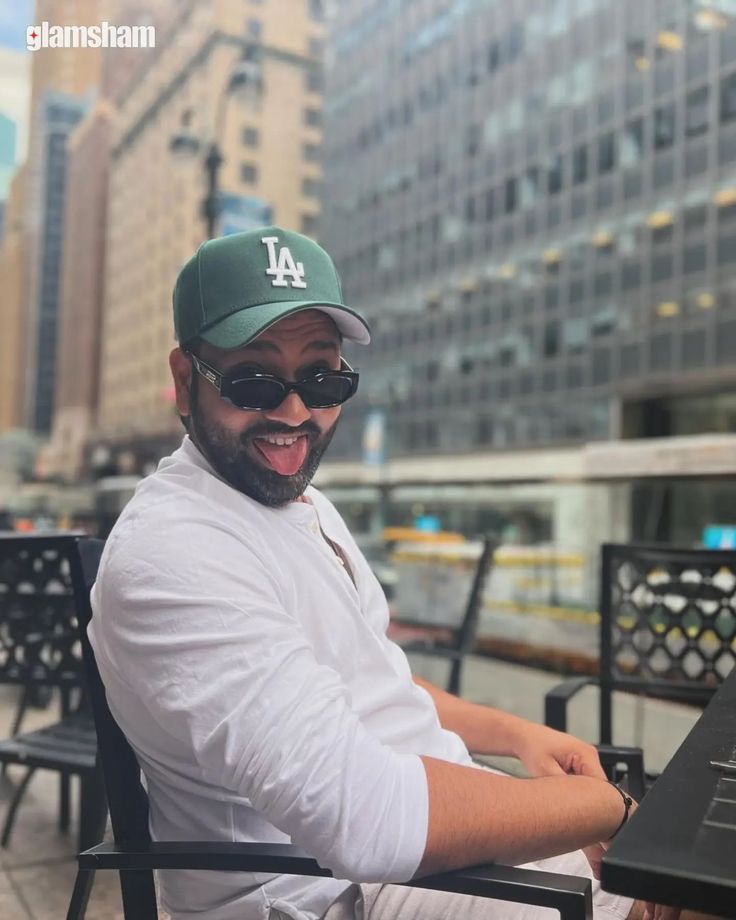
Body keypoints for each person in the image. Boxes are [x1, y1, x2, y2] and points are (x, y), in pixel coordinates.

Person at [88, 228, 684, 920]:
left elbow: (369, 676)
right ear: (186, 380)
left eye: (322, 377)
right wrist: (602, 810)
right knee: (676, 894)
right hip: (324, 891)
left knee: (691, 874)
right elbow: (363, 818)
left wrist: (519, 735)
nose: (294, 411)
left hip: (417, 843)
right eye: (254, 379)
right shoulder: (175, 551)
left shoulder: (302, 504)